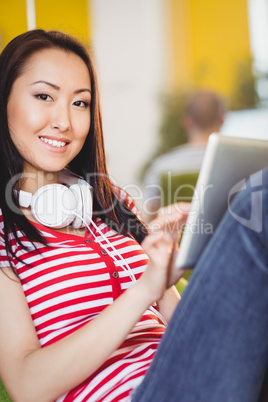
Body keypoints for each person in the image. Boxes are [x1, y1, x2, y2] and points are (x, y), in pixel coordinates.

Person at [0, 30, 267, 402]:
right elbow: (27, 387)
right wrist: (144, 289)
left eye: (80, 103)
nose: (64, 121)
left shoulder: (113, 203)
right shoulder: (3, 235)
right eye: (44, 96)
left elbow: (185, 326)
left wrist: (168, 271)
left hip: (190, 373)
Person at [143, 90, 226, 219]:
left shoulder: (160, 168)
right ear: (222, 120)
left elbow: (153, 222)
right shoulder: (235, 168)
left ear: (187, 122)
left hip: (173, 239)